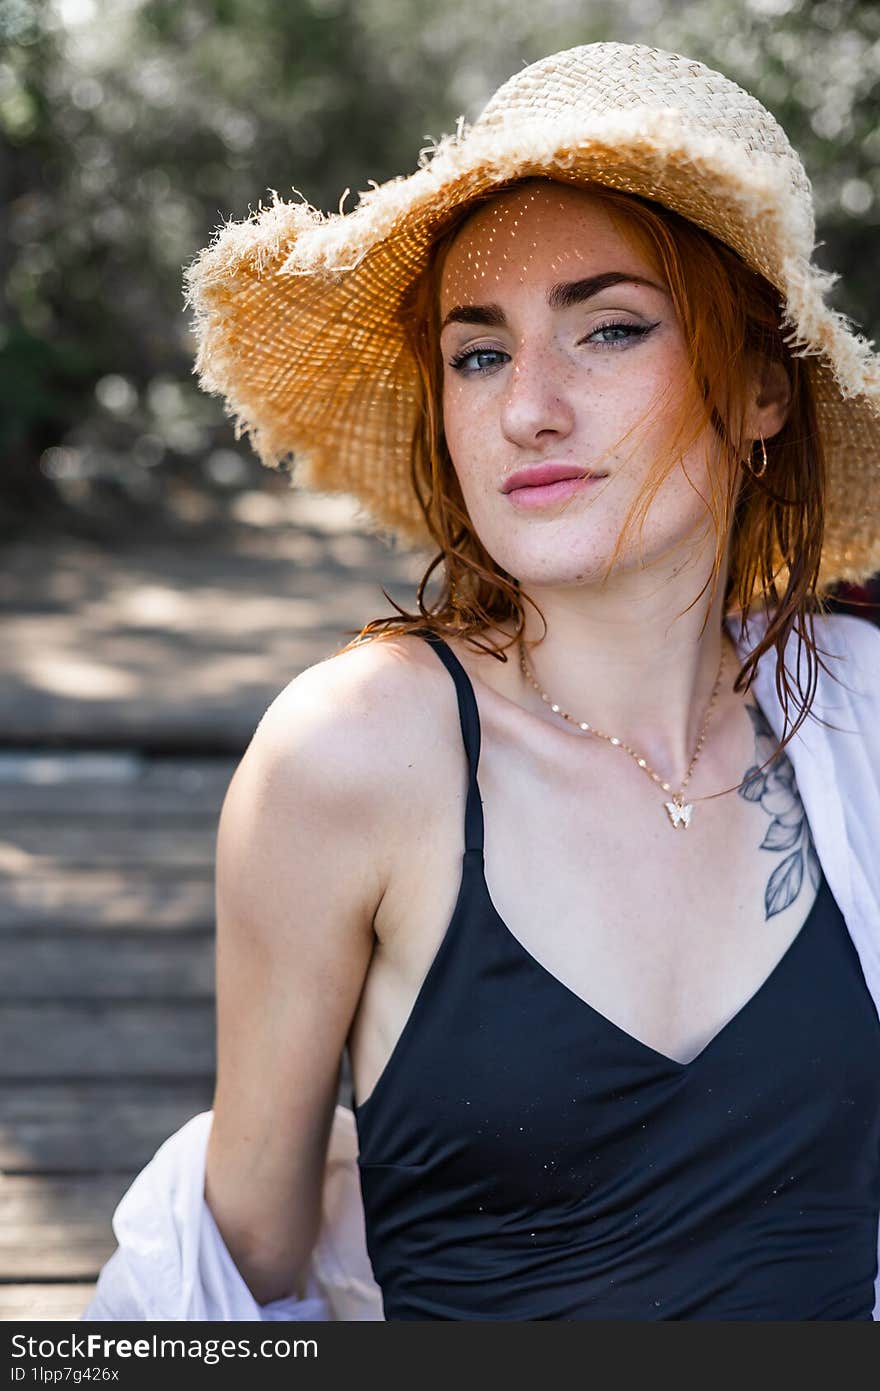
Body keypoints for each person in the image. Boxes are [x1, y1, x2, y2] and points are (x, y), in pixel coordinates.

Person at [84, 41, 880, 1322]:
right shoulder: (355, 757)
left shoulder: (859, 717)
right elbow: (227, 1292)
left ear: (757, 388)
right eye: (478, 354)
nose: (529, 409)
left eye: (608, 328)